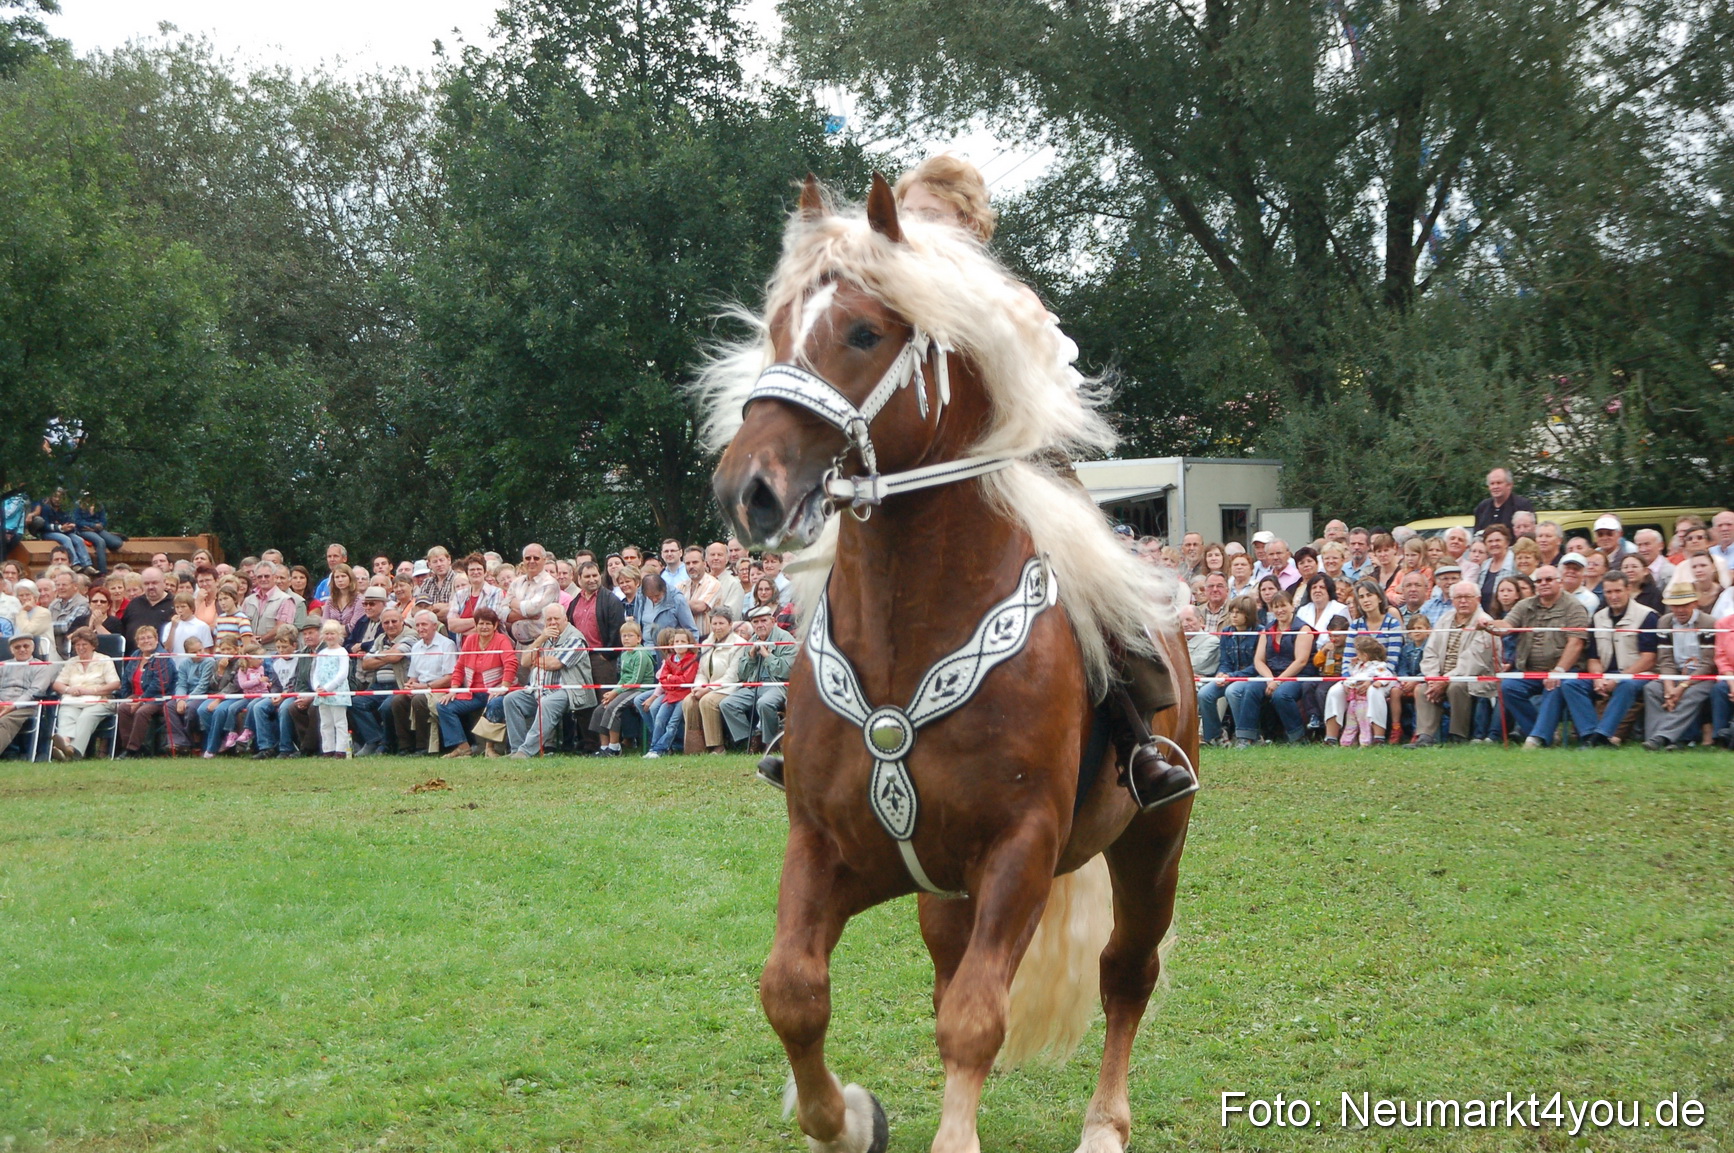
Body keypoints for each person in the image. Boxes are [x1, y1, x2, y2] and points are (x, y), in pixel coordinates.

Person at [1489, 565, 1593, 748]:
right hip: (1529, 671)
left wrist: (1559, 670)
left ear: (1559, 582)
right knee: (1508, 687)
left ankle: (1537, 738)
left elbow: (1576, 643)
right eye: (1539, 581)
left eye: (1548, 580)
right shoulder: (1525, 605)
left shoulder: (1574, 607)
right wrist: (1489, 624)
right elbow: (1506, 625)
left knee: (1555, 686)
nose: (1543, 584)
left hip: (1564, 669)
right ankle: (1541, 732)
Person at [1577, 571, 1661, 748]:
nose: (1613, 596)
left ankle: (1602, 734)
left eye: (1618, 591)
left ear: (1628, 589)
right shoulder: (1598, 617)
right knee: (1571, 684)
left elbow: (1649, 659)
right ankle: (1589, 732)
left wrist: (1618, 678)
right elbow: (1593, 657)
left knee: (1626, 685)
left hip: (1639, 673)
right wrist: (1598, 677)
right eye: (1608, 592)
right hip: (1606, 673)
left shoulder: (1647, 616)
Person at [504, 603, 595, 759]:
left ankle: (526, 752)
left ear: (565, 619)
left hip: (568, 690)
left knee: (547, 704)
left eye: (556, 619)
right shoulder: (545, 638)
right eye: (549, 619)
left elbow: (555, 664)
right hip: (538, 688)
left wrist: (536, 659)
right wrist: (541, 639)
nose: (552, 623)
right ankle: (516, 750)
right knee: (511, 700)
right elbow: (525, 662)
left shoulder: (576, 638)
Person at [1414, 581, 1499, 746]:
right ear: (1452, 600)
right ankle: (1425, 736)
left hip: (1474, 678)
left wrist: (1445, 681)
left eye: (1468, 597)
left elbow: (1474, 662)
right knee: (1422, 688)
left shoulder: (1485, 622)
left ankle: (1458, 735)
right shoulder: (1444, 620)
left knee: (1456, 686)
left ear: (1478, 599)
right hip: (1441, 678)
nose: (1463, 601)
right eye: (1458, 597)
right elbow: (1430, 651)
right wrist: (1433, 678)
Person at [1224, 590, 1312, 747]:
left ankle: (1297, 737)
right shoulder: (1268, 629)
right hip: (1271, 674)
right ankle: (1246, 737)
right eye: (1275, 607)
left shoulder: (1303, 629)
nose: (1280, 610)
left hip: (1297, 675)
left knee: (1281, 695)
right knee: (1251, 687)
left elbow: (1301, 661)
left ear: (1292, 607)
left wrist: (1278, 682)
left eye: (1283, 605)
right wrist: (1270, 679)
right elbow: (1259, 660)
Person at [1641, 579, 1717, 750]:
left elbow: (1707, 663)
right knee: (1652, 689)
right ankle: (1663, 739)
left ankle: (1661, 737)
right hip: (1674, 672)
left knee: (1691, 694)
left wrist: (1682, 686)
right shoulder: (1664, 622)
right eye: (1675, 606)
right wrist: (1669, 686)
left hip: (1701, 676)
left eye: (1685, 605)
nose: (1680, 610)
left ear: (1695, 604)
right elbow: (1665, 658)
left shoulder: (1708, 623)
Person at [437, 607, 517, 758]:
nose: (484, 627)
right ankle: (462, 747)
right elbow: (459, 667)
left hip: (495, 692)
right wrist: (454, 689)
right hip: (472, 693)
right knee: (443, 705)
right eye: (481, 624)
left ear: (495, 626)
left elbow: (511, 663)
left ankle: (490, 749)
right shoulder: (471, 640)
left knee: (495, 703)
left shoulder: (502, 640)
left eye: (488, 624)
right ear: (476, 625)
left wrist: (504, 687)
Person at [722, 605, 795, 757]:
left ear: (773, 621)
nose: (760, 625)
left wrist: (767, 655)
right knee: (727, 704)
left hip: (777, 685)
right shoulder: (751, 640)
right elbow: (742, 673)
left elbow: (787, 671)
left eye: (763, 620)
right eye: (755, 622)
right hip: (754, 684)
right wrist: (750, 656)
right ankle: (750, 740)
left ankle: (770, 742)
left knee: (765, 703)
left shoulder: (785, 638)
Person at [50, 627, 120, 760]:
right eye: (77, 645)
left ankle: (74, 752)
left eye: (84, 644)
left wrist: (91, 691)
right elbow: (57, 684)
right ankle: (64, 745)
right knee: (66, 713)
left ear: (93, 646)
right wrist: (68, 690)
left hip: (99, 700)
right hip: (74, 700)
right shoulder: (71, 662)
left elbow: (115, 684)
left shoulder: (104, 660)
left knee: (85, 717)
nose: (80, 647)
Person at [683, 607, 745, 754]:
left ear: (730, 625)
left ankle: (717, 746)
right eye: (714, 623)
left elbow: (732, 675)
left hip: (729, 687)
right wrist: (699, 687)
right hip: (708, 686)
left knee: (708, 701)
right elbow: (701, 672)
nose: (717, 627)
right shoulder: (706, 643)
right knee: (689, 701)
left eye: (721, 623)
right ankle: (695, 747)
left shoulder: (739, 644)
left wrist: (709, 689)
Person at [1198, 597, 1259, 747]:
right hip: (1230, 676)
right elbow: (1225, 661)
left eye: (1239, 612)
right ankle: (1214, 736)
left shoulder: (1260, 632)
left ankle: (1244, 736)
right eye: (1232, 612)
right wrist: (1221, 674)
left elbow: (1257, 665)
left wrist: (1230, 676)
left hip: (1253, 678)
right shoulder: (1226, 632)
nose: (1234, 616)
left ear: (1249, 614)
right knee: (1204, 694)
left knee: (1232, 691)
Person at [394, 611, 456, 755]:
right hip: (420, 687)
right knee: (398, 701)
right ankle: (405, 746)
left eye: (424, 624)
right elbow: (413, 677)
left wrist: (426, 687)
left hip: (439, 689)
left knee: (419, 700)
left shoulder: (447, 645)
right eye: (418, 625)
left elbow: (450, 677)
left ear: (434, 626)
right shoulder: (416, 647)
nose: (420, 628)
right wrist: (409, 686)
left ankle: (424, 747)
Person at [351, 607, 412, 755]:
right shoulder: (380, 638)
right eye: (386, 622)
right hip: (378, 685)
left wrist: (377, 655)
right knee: (354, 702)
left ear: (402, 621)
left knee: (387, 706)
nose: (390, 625)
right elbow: (365, 664)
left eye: (394, 621)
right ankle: (375, 740)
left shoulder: (411, 635)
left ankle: (386, 745)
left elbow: (395, 657)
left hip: (399, 685)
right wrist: (387, 654)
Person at [590, 620, 652, 755]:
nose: (626, 639)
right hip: (626, 688)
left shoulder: (640, 654)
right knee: (601, 709)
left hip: (640, 689)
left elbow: (636, 681)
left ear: (639, 638)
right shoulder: (624, 654)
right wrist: (613, 692)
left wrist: (616, 693)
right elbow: (623, 678)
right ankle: (604, 747)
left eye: (630, 635)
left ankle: (614, 747)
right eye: (624, 636)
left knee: (613, 708)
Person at [114, 625, 177, 757]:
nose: (146, 641)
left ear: (156, 639)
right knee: (123, 708)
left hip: (158, 697)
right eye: (142, 639)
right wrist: (127, 697)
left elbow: (160, 685)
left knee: (142, 711)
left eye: (149, 637)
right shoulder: (135, 656)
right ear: (137, 642)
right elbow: (126, 679)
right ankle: (128, 747)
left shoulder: (162, 657)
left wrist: (140, 701)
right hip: (137, 695)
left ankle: (133, 749)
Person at [643, 627, 699, 758]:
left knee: (672, 723)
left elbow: (686, 680)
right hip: (670, 696)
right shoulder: (670, 659)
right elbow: (662, 678)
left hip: (683, 696)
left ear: (690, 643)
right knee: (659, 720)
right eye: (677, 642)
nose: (679, 645)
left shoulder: (693, 659)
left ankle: (659, 749)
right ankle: (653, 749)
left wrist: (671, 678)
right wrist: (672, 680)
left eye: (683, 641)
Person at [0, 633, 53, 753]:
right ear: (11, 650)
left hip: (24, 706)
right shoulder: (3, 665)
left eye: (26, 646)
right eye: (17, 647)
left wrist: (12, 706)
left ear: (32, 648)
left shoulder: (41, 666)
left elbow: (35, 691)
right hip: (1, 703)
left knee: (4, 721)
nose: (22, 649)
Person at [1339, 636, 1391, 747]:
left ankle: (1365, 742)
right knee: (1351, 722)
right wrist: (1352, 666)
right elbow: (1353, 675)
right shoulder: (1359, 666)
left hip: (1364, 701)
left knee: (1364, 722)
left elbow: (1387, 675)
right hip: (1353, 699)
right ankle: (1347, 742)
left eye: (1358, 653)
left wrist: (1378, 682)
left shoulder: (1377, 666)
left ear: (1365, 655)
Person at [311, 621, 353, 758]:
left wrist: (328, 688)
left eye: (332, 633)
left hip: (337, 692)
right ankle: (327, 749)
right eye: (327, 634)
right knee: (325, 722)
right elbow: (315, 673)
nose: (330, 637)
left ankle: (341, 749)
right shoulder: (321, 653)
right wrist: (317, 687)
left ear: (339, 635)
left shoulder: (342, 652)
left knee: (339, 722)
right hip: (322, 694)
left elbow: (342, 674)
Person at [117, 568, 175, 655]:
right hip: (134, 662)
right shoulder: (134, 604)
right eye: (146, 583)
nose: (150, 587)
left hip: (163, 661)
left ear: (164, 582)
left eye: (154, 582)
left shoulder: (175, 604)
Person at [1472, 467, 1533, 533]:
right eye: (1492, 483)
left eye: (1499, 483)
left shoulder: (1522, 505)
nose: (1495, 487)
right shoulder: (1482, 507)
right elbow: (1477, 536)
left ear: (1509, 485)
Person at [47, 568, 90, 659]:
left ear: (75, 586)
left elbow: (67, 626)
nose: (60, 587)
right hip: (52, 651)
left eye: (64, 585)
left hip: (70, 653)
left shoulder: (83, 604)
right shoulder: (54, 604)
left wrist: (44, 627)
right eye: (58, 585)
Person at [11, 581, 52, 660]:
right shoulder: (18, 613)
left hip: (42, 655)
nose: (24, 598)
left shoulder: (43, 613)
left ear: (35, 596)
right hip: (20, 654)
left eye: (27, 594)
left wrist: (23, 611)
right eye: (21, 595)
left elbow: (27, 632)